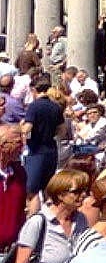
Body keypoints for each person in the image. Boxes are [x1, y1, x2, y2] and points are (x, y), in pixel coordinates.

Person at [23, 73, 65, 201]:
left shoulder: (34, 106)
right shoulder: (56, 107)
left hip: (36, 151)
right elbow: (62, 130)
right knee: (48, 188)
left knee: (32, 190)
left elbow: (27, 129)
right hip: (51, 150)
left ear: (34, 90)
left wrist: (25, 134)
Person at [0, 125, 27, 256]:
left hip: (10, 250)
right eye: (18, 142)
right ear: (3, 145)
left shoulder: (19, 172)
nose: (22, 146)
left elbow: (21, 209)